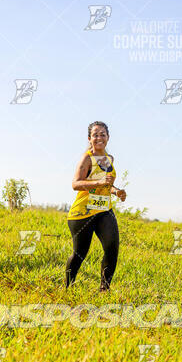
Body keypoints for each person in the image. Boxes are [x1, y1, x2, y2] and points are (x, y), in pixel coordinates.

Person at [66, 121, 126, 291]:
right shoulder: (87, 158)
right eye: (95, 135)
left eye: (102, 134)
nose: (99, 137)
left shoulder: (109, 159)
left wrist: (116, 192)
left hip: (104, 211)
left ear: (108, 137)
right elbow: (75, 184)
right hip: (82, 213)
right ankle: (68, 288)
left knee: (112, 249)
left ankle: (104, 290)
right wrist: (98, 182)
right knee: (80, 253)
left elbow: (106, 184)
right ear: (89, 138)